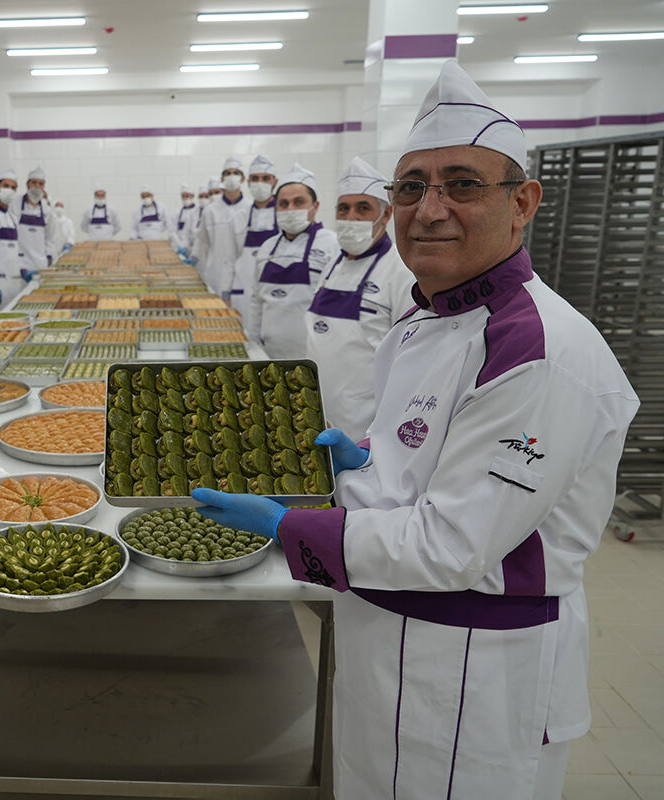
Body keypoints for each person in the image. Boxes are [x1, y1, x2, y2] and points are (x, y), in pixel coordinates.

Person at [193, 60, 639, 800]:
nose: (429, 209)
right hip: (393, 637)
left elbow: (452, 545)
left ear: (523, 201)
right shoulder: (433, 316)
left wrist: (287, 525)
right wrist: (371, 461)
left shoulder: (537, 350)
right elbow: (443, 466)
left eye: (462, 184)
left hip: (472, 672)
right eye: (411, 187)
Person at [304, 156, 416, 439]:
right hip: (317, 414)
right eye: (343, 208)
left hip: (364, 429)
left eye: (362, 208)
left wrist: (378, 436)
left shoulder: (402, 274)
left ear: (386, 214)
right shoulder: (332, 266)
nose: (350, 217)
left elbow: (411, 367)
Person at [246, 163, 341, 358]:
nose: (290, 209)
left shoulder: (333, 246)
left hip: (311, 356)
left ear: (315, 207)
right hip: (269, 355)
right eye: (283, 204)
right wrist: (253, 343)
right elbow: (256, 301)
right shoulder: (267, 247)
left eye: (298, 202)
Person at [231, 154, 280, 325]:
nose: (260, 183)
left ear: (275, 182)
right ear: (248, 182)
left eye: (266, 178)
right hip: (244, 286)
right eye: (255, 178)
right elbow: (233, 255)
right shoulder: (240, 216)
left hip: (274, 287)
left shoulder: (284, 216)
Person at [194, 158, 248, 296]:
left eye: (236, 173)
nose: (231, 176)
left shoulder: (250, 209)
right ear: (222, 179)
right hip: (216, 276)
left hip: (245, 277)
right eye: (228, 173)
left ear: (243, 178)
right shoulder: (210, 211)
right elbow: (202, 244)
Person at [0, 168, 28, 304]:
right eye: (6, 186)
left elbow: (16, 249)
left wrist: (23, 270)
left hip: (16, 281)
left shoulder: (12, 216)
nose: (9, 190)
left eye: (13, 187)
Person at [14, 165, 54, 277]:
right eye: (34, 182)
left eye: (40, 184)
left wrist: (49, 257)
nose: (37, 186)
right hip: (20, 265)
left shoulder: (47, 210)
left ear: (44, 186)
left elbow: (50, 238)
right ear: (27, 184)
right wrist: (18, 266)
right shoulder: (14, 205)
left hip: (40, 265)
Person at [173, 184, 199, 256]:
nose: (185, 198)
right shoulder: (177, 213)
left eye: (187, 196)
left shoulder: (198, 211)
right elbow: (173, 231)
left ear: (192, 196)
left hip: (195, 248)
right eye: (183, 196)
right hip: (182, 248)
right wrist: (179, 246)